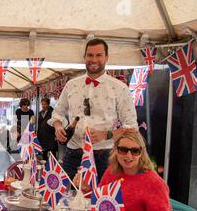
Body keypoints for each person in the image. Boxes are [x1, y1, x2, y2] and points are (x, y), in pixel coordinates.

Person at [49, 38, 138, 180]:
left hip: (104, 156)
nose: (94, 59)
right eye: (90, 55)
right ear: (84, 57)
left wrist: (107, 134)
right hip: (73, 154)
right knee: (64, 196)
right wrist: (58, 126)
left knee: (103, 199)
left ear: (106, 57)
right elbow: (57, 112)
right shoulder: (71, 85)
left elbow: (132, 127)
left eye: (99, 55)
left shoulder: (120, 88)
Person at [37, 97, 57, 162]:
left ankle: (54, 168)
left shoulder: (53, 112)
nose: (43, 106)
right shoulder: (40, 113)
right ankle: (44, 169)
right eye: (42, 104)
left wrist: (56, 135)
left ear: (48, 104)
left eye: (45, 104)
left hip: (51, 136)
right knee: (44, 154)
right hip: (43, 137)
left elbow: (56, 123)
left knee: (52, 154)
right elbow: (39, 125)